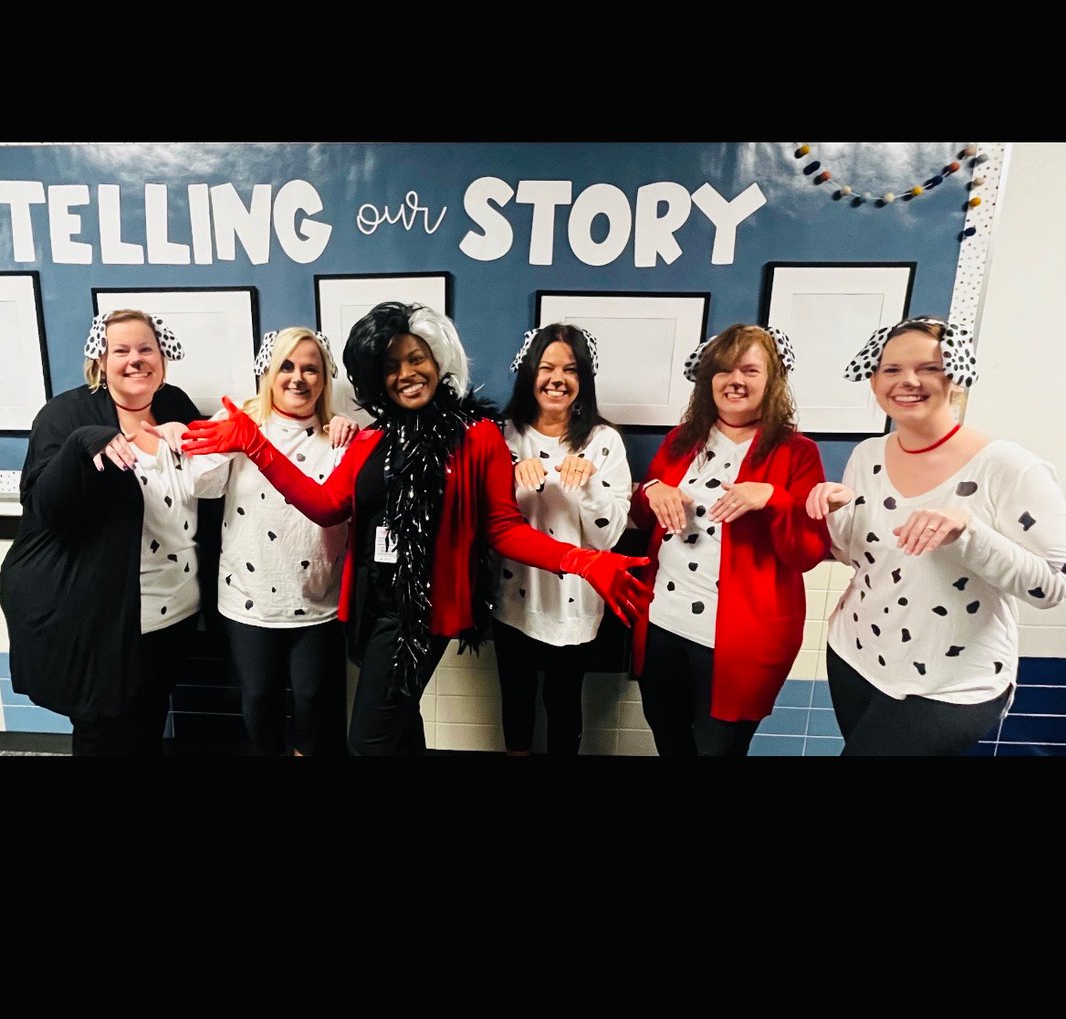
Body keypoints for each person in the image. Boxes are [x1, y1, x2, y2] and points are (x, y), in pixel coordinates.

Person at [181, 302, 651, 757]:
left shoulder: (477, 435)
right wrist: (255, 445)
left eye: (416, 358)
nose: (407, 373)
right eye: (391, 365)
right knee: (401, 725)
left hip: (422, 610)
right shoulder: (372, 438)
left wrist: (580, 560)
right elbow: (326, 506)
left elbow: (503, 527)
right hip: (369, 600)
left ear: (437, 360)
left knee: (366, 743)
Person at [806, 315, 1066, 756]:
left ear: (956, 378)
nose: (908, 381)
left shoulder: (1008, 466)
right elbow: (859, 559)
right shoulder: (867, 454)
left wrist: (968, 531)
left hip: (954, 682)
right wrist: (835, 512)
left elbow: (1053, 586)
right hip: (855, 656)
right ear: (874, 382)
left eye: (929, 368)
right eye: (891, 369)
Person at [0, 309, 218, 756]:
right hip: (102, 619)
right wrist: (84, 443)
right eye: (122, 350)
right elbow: (46, 507)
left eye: (146, 349)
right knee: (104, 733)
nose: (136, 360)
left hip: (172, 610)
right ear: (101, 360)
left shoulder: (174, 403)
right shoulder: (67, 414)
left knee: (147, 723)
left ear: (162, 357)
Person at [629, 323, 830, 756]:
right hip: (663, 623)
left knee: (719, 749)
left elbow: (809, 553)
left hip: (741, 641)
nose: (734, 380)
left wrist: (774, 498)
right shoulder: (681, 441)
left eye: (749, 370)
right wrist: (651, 489)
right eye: (723, 370)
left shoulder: (798, 453)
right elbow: (643, 518)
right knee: (668, 737)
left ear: (773, 379)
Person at [177, 328, 354, 756]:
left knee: (314, 699)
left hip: (317, 598)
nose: (298, 378)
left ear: (325, 379)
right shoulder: (242, 425)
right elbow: (202, 486)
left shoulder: (340, 436)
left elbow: (345, 505)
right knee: (258, 696)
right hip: (248, 597)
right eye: (287, 367)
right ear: (269, 374)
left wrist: (349, 425)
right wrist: (225, 439)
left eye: (311, 369)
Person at [492, 323, 632, 756]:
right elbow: (486, 522)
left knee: (564, 702)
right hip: (514, 596)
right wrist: (509, 476)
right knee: (515, 700)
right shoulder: (502, 435)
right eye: (547, 367)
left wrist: (589, 485)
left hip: (574, 598)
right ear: (529, 373)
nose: (558, 379)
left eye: (570, 370)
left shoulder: (603, 441)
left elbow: (607, 539)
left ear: (583, 380)